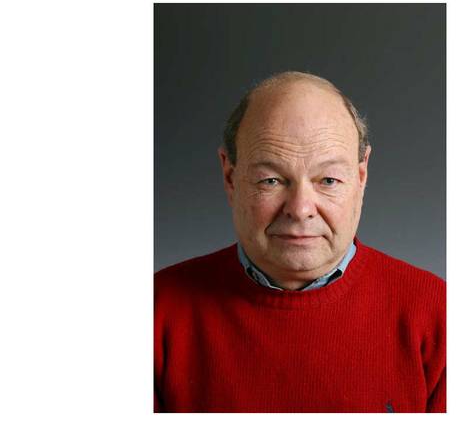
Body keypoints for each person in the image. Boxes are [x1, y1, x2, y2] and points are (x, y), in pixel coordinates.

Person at [154, 71, 446, 413]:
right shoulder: (156, 311)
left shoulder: (438, 313)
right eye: (271, 180)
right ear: (230, 177)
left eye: (328, 180)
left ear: (361, 177)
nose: (300, 208)